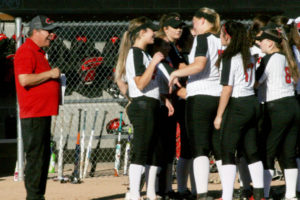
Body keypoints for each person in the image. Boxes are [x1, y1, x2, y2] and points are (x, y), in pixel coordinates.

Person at [169, 7, 223, 200]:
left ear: (202, 21)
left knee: (199, 148)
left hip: (200, 96)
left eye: (194, 21)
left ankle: (202, 193)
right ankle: (226, 192)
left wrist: (175, 73)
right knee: (219, 148)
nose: (192, 26)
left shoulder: (203, 38)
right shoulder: (221, 40)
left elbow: (199, 64)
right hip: (219, 96)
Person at [115, 16, 165, 200]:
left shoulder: (144, 54)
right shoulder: (135, 53)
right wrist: (153, 64)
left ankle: (151, 192)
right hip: (142, 104)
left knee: (153, 150)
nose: (154, 33)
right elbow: (141, 84)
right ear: (142, 33)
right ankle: (134, 192)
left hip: (151, 104)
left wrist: (162, 99)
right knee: (142, 148)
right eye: (151, 30)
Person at [213, 20, 264, 200]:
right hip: (252, 102)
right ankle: (259, 193)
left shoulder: (229, 56)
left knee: (226, 148)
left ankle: (227, 196)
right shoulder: (248, 55)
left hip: (238, 104)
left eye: (222, 33)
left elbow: (227, 88)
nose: (221, 36)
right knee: (251, 149)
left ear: (228, 35)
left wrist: (219, 115)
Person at [14, 15, 60, 200]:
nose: (52, 35)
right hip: (34, 115)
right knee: (36, 159)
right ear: (36, 31)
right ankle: (34, 197)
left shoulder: (38, 52)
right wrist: (50, 74)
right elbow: (24, 79)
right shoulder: (26, 51)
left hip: (42, 113)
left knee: (42, 159)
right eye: (48, 31)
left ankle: (38, 196)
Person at [255, 23, 300, 199]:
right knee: (289, 152)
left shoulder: (268, 59)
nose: (259, 43)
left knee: (268, 151)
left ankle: (264, 193)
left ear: (271, 43)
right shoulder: (288, 57)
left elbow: (255, 83)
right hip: (293, 105)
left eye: (262, 41)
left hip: (277, 107)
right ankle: (290, 194)